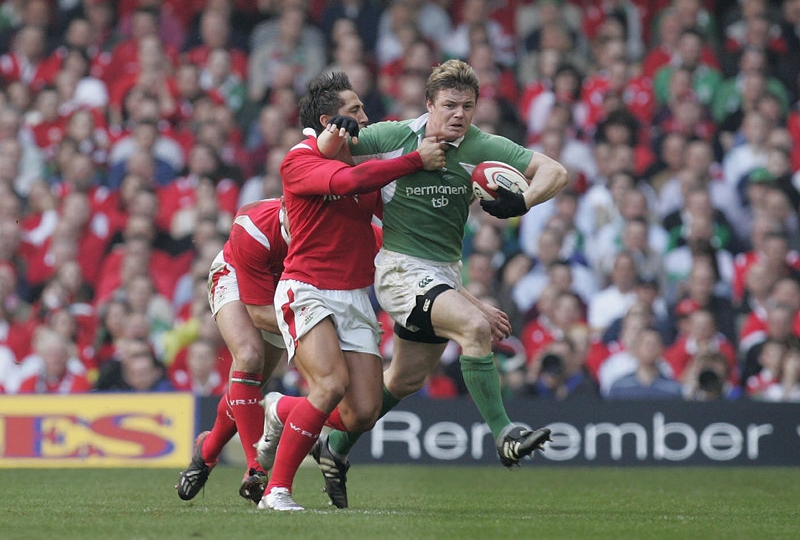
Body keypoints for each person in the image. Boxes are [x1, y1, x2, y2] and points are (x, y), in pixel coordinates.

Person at [314, 59, 568, 508]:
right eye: (449, 105)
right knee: (474, 328)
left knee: (401, 382)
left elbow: (555, 171)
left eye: (467, 106)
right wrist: (336, 128)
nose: (458, 114)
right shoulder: (394, 136)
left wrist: (523, 201)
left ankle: (334, 448)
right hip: (400, 272)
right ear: (429, 104)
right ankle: (505, 432)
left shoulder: (481, 145)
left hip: (444, 274)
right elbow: (332, 148)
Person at [257, 72, 447, 511]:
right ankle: (277, 491)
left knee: (362, 411)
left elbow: (396, 215)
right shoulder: (298, 160)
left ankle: (280, 410)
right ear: (329, 121)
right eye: (355, 110)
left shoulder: (363, 168)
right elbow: (345, 185)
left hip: (354, 297)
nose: (366, 116)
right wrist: (416, 159)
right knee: (330, 385)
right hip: (306, 290)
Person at [176, 197, 290, 505]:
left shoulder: (326, 227)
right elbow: (258, 313)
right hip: (237, 277)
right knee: (249, 357)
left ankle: (208, 449)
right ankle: (256, 468)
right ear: (285, 207)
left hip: (283, 290)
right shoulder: (254, 226)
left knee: (248, 387)